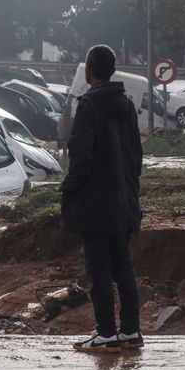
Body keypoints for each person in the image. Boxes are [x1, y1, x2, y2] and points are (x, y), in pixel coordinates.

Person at [61, 44, 143, 352]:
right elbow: (137, 154)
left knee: (99, 269)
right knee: (123, 265)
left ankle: (106, 333)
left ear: (88, 71)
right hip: (124, 200)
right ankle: (131, 332)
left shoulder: (89, 105)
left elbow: (81, 156)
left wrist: (70, 189)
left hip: (96, 202)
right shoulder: (127, 106)